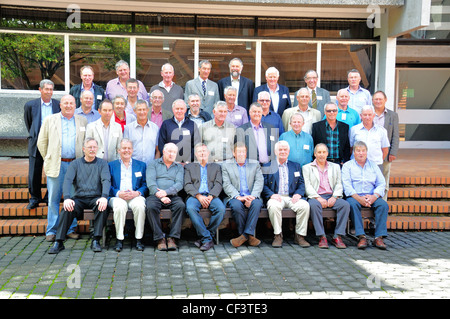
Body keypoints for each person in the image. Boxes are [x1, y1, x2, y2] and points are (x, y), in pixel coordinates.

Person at [37, 94, 87, 242]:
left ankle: (70, 229)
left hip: (75, 165)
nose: (68, 106)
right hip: (56, 164)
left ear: (75, 104)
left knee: (72, 198)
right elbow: (42, 142)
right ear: (60, 105)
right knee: (53, 198)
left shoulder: (82, 120)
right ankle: (52, 230)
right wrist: (49, 157)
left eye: (71, 103)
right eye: (65, 103)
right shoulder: (50, 120)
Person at [48, 138, 111, 254]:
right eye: (89, 147)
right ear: (83, 149)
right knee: (67, 208)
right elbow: (67, 181)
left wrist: (104, 196)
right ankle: (59, 241)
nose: (92, 150)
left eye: (94, 147)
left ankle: (96, 240)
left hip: (96, 197)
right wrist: (67, 198)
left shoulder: (102, 164)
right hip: (79, 198)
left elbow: (106, 180)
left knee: (103, 207)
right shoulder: (75, 164)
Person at [262, 141, 310, 248]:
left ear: (288, 152)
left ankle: (300, 236)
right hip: (276, 196)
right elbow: (263, 185)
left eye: (285, 150)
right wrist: (271, 195)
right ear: (275, 152)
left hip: (292, 196)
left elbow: (301, 183)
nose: (283, 151)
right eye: (280, 149)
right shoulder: (268, 166)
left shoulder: (295, 166)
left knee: (305, 206)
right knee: (273, 206)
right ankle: (278, 235)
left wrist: (298, 194)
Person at [342, 141, 389, 250]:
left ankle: (378, 237)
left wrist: (374, 196)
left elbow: (381, 183)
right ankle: (361, 236)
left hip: (371, 196)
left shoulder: (373, 166)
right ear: (353, 152)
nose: (361, 153)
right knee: (352, 205)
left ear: (367, 152)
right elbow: (346, 185)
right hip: (354, 196)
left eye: (363, 151)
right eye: (358, 151)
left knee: (383, 205)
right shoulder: (347, 166)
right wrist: (359, 198)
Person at [302, 143, 350, 249]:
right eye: (319, 152)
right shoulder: (307, 168)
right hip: (315, 196)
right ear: (315, 154)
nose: (321, 155)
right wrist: (318, 198)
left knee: (345, 205)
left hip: (332, 196)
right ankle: (322, 236)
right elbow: (307, 186)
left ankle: (337, 236)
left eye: (324, 152)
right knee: (313, 206)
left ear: (327, 154)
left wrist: (335, 197)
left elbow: (338, 183)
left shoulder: (335, 167)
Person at [24, 79, 60, 210]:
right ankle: (35, 198)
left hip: (53, 143)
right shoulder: (30, 105)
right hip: (36, 142)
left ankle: (48, 197)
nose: (49, 92)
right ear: (40, 90)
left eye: (51, 89)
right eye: (47, 89)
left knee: (53, 170)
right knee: (34, 171)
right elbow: (29, 123)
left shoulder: (58, 104)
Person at [108, 138, 148, 252]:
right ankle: (119, 239)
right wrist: (118, 193)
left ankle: (139, 238)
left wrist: (137, 192)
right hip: (117, 196)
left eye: (129, 148)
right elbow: (107, 184)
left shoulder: (141, 165)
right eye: (124, 148)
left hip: (134, 195)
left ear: (132, 150)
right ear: (119, 150)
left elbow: (145, 184)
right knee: (120, 207)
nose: (126, 150)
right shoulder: (111, 165)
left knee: (140, 206)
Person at [184, 143, 225, 251]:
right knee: (190, 208)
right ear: (196, 154)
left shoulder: (216, 167)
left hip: (211, 195)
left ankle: (206, 237)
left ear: (208, 153)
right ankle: (207, 238)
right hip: (195, 196)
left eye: (204, 151)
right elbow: (187, 184)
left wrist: (211, 196)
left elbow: (218, 184)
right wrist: (198, 196)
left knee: (220, 209)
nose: (202, 153)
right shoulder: (189, 167)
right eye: (199, 151)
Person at [222, 142, 264, 248]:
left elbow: (259, 181)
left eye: (243, 152)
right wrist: (238, 196)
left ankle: (243, 236)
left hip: (251, 195)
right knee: (236, 206)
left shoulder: (255, 164)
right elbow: (226, 184)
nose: (241, 154)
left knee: (257, 204)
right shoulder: (226, 165)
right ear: (234, 153)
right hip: (235, 196)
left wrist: (252, 196)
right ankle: (248, 236)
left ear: (246, 153)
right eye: (238, 152)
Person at [146, 143, 185, 251]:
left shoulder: (178, 167)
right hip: (155, 195)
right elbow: (150, 182)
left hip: (172, 195)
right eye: (169, 151)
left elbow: (179, 184)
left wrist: (166, 193)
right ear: (163, 151)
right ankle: (160, 238)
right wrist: (160, 196)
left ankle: (172, 238)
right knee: (150, 207)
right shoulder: (153, 164)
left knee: (180, 206)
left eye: (174, 152)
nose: (172, 154)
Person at [372, 90, 400, 201]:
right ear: (373, 101)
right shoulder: (368, 113)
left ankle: (382, 204)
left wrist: (393, 152)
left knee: (384, 180)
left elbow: (395, 135)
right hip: (370, 154)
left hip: (385, 153)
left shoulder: (393, 115)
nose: (378, 101)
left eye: (380, 99)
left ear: (385, 100)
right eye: (376, 99)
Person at [235, 102, 277, 167]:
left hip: (268, 167)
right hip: (250, 168)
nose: (257, 114)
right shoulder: (241, 130)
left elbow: (275, 148)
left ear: (262, 113)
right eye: (254, 111)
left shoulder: (270, 128)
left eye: (259, 112)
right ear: (250, 112)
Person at [158, 99, 200, 164]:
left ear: (185, 110)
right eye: (177, 109)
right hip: (170, 163)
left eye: (181, 109)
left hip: (188, 163)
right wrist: (169, 159)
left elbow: (197, 145)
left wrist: (188, 160)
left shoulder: (192, 125)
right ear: (173, 110)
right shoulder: (166, 124)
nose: (179, 111)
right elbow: (161, 144)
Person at [123, 100, 160, 167]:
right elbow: (125, 149)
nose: (142, 112)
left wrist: (155, 164)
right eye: (139, 110)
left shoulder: (155, 128)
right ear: (135, 111)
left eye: (144, 109)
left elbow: (158, 150)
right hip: (133, 167)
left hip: (150, 167)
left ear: (148, 110)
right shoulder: (128, 129)